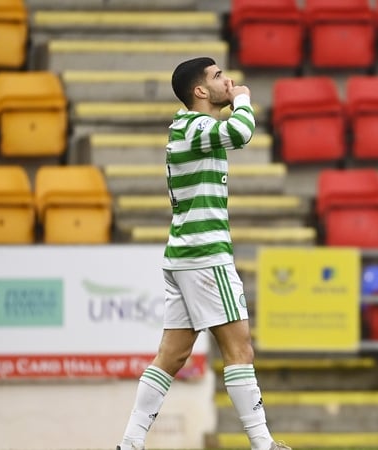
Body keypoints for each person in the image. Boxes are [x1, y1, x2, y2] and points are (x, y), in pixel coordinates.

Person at [116, 57, 290, 450]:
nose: (228, 81)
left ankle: (129, 443)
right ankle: (263, 445)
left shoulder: (189, 128)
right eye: (218, 77)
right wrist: (243, 99)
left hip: (183, 254)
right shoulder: (195, 127)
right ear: (200, 91)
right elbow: (243, 132)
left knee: (172, 355)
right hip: (206, 254)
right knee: (239, 348)